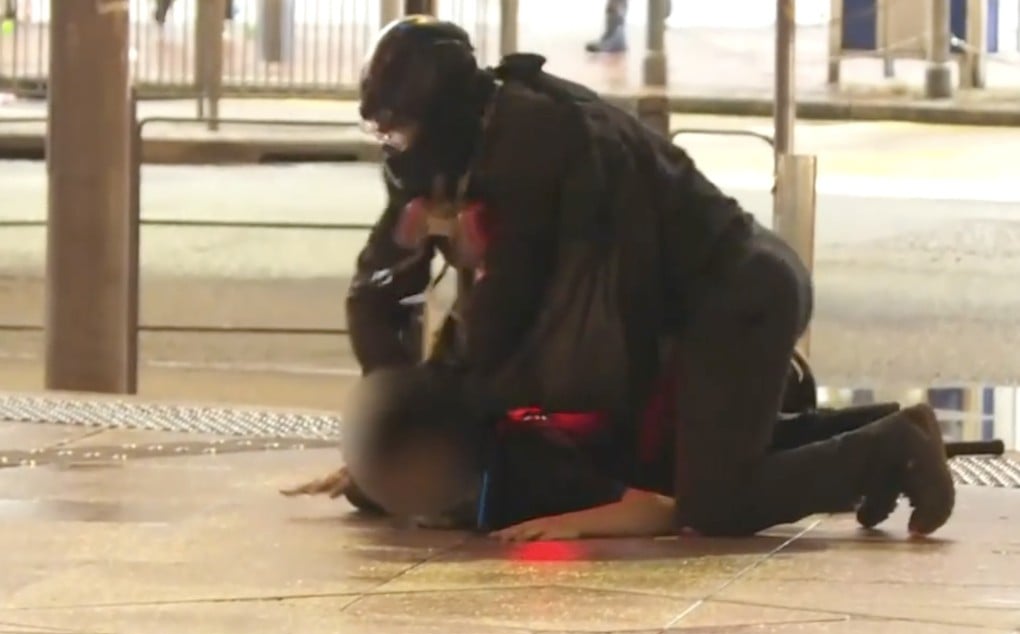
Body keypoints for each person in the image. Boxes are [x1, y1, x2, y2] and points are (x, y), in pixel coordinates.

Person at [345, 16, 956, 538]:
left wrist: (425, 422)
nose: (394, 148)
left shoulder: (532, 148)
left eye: (399, 129)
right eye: (383, 132)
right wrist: (400, 257)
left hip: (736, 299)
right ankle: (878, 435)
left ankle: (894, 450)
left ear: (441, 115)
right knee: (689, 465)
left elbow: (508, 317)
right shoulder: (468, 147)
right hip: (703, 304)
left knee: (717, 501)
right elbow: (379, 298)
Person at [282, 364, 947, 540]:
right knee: (773, 437)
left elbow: (657, 510)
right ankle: (896, 425)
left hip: (658, 450)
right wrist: (358, 478)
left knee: (720, 506)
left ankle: (887, 445)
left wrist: (578, 521)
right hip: (657, 415)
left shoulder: (522, 472)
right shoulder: (472, 446)